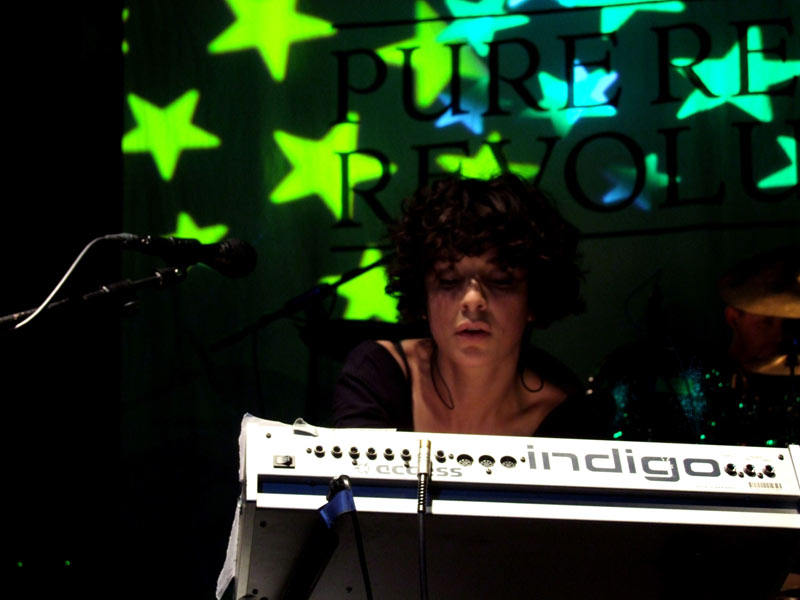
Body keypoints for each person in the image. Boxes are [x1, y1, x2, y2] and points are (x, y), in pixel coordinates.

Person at [332, 174, 595, 437]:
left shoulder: (566, 417)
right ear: (423, 296)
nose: (473, 300)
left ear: (535, 298)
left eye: (500, 280)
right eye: (448, 280)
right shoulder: (376, 373)